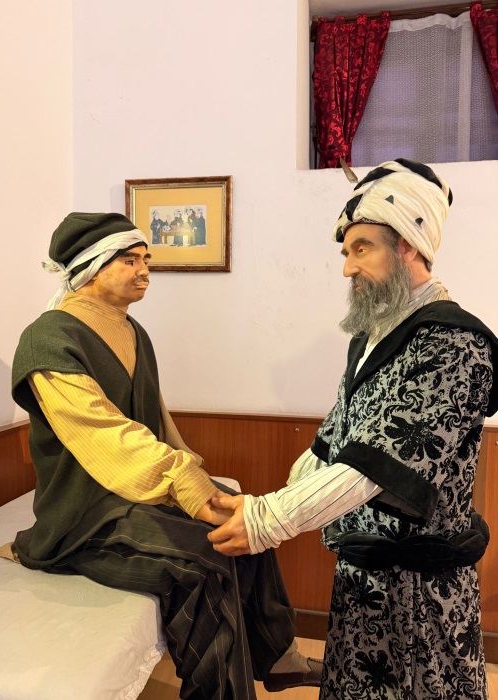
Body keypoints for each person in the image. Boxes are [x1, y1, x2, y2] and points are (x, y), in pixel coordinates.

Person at [208, 159, 498, 699]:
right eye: (346, 252)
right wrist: (259, 505)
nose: (347, 268)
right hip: (362, 581)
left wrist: (269, 520)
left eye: (361, 248)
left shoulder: (454, 344)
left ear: (408, 245)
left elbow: (374, 469)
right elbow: (334, 444)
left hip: (420, 597)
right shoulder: (373, 336)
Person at [10, 212, 323, 700]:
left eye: (146, 260)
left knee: (247, 522)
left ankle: (279, 656)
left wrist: (196, 475)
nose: (144, 272)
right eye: (130, 261)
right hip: (84, 516)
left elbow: (154, 417)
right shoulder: (48, 339)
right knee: (206, 560)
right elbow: (102, 431)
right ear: (91, 267)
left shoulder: (134, 332)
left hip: (135, 495)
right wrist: (182, 481)